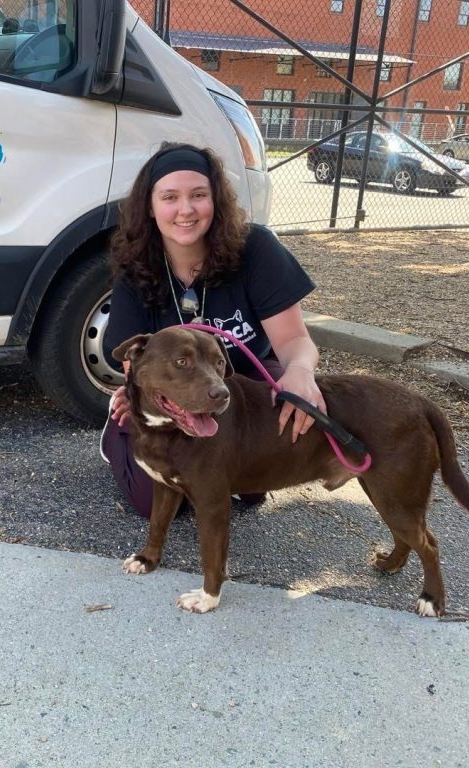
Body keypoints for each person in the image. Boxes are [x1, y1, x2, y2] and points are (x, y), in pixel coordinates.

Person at [100, 142, 326, 518]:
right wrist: (139, 393)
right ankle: (115, 441)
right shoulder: (134, 265)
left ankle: (221, 467)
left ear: (216, 201)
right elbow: (134, 365)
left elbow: (294, 341)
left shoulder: (256, 249)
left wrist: (301, 373)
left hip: (239, 383)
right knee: (157, 502)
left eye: (199, 195)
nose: (185, 210)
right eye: (170, 197)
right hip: (171, 393)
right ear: (150, 208)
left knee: (250, 487)